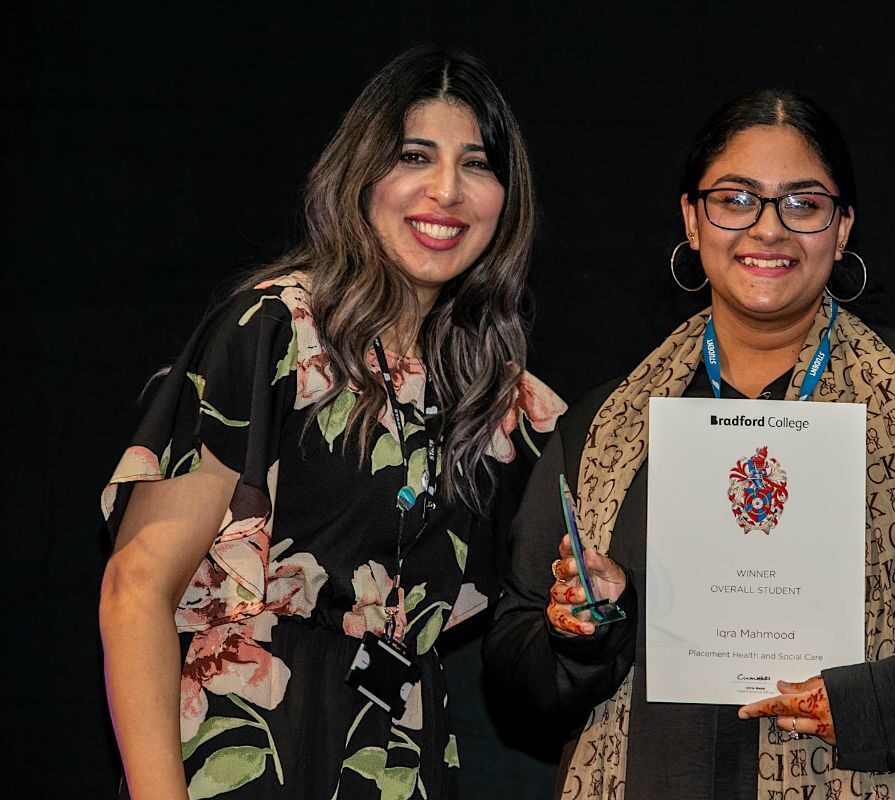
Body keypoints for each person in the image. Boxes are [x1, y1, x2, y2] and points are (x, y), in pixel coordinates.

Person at [484, 89, 895, 799]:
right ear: (691, 220)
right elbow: (515, 670)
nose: (769, 229)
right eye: (736, 199)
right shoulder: (602, 426)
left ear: (843, 226)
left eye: (803, 203)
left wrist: (877, 703)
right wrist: (583, 631)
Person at [99, 45, 564, 800]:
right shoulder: (272, 332)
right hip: (246, 745)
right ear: (362, 175)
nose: (446, 190)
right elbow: (135, 587)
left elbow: (574, 583)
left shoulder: (498, 398)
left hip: (401, 761)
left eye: (477, 164)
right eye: (416, 155)